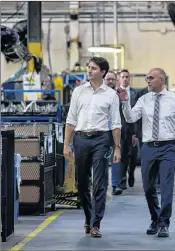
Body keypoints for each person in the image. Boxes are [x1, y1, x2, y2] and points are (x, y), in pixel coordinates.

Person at [117, 68, 175, 238]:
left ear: (162, 79)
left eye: (151, 78)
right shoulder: (143, 100)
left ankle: (164, 223)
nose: (148, 81)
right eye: (146, 78)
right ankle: (155, 218)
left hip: (168, 148)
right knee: (148, 187)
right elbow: (130, 118)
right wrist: (125, 102)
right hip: (149, 147)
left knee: (166, 187)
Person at [63, 57, 121, 238]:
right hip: (80, 139)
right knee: (82, 183)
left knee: (100, 183)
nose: (89, 71)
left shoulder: (111, 95)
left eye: (93, 68)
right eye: (88, 68)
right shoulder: (79, 91)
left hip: (101, 140)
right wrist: (66, 144)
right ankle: (89, 218)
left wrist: (117, 147)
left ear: (102, 72)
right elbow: (71, 119)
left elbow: (116, 124)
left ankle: (96, 224)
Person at [119, 69, 139, 189]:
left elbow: (137, 114)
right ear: (119, 79)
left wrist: (136, 133)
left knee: (133, 156)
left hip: (133, 129)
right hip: (121, 130)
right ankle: (122, 179)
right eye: (123, 77)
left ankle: (131, 173)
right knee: (122, 155)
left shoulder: (135, 93)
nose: (125, 79)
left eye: (127, 77)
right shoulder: (116, 93)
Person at [104, 71, 123, 195]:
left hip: (117, 131)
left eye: (112, 79)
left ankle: (116, 185)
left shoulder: (120, 95)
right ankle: (103, 184)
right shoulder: (99, 95)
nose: (110, 81)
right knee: (102, 160)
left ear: (116, 81)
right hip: (103, 132)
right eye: (108, 79)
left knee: (116, 158)